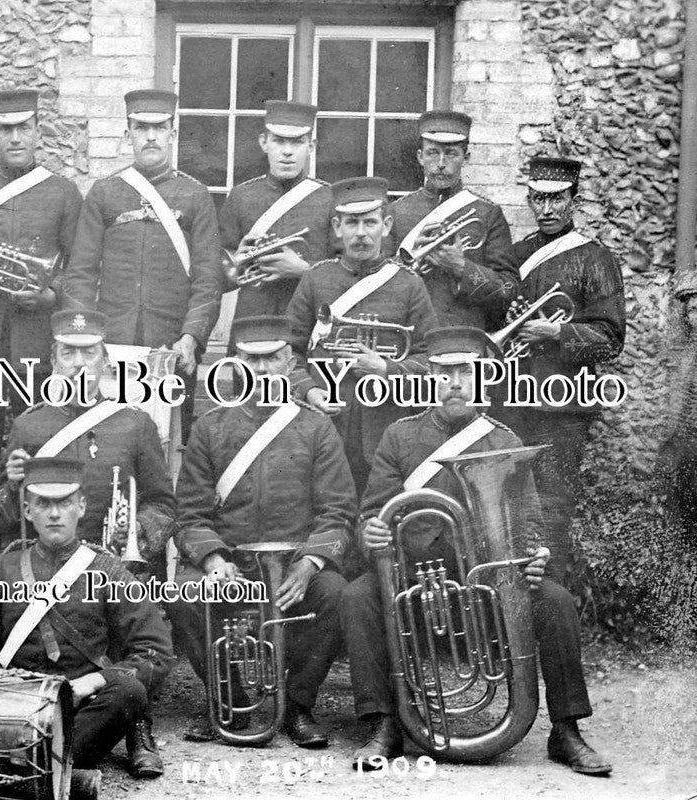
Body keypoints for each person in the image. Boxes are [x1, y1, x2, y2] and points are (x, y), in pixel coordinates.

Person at [340, 325, 611, 776]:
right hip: (413, 574)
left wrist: (534, 554)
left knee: (556, 602)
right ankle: (384, 724)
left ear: (481, 377)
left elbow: (527, 519)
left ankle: (566, 730)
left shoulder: (503, 439)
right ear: (427, 377)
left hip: (485, 580)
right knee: (356, 597)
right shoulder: (399, 437)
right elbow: (373, 512)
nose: (456, 384)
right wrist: (372, 532)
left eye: (466, 373)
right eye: (445, 373)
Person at [0, 309, 175, 778]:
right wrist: (12, 488)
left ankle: (136, 727)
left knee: (133, 627)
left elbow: (161, 503)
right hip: (47, 558)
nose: (77, 362)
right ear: (53, 359)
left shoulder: (133, 423)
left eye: (87, 352)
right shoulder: (29, 425)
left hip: (113, 559)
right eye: (67, 351)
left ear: (105, 361)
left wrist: (135, 544)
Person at [168, 315, 355, 746]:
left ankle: (298, 704)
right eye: (253, 360)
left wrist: (310, 563)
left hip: (294, 565)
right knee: (184, 593)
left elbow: (339, 509)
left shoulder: (315, 427)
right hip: (232, 564)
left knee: (337, 594)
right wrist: (214, 559)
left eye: (273, 358)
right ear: (235, 364)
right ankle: (228, 699)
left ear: (290, 361)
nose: (264, 369)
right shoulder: (210, 428)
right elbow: (190, 515)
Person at [0, 457, 175, 783]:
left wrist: (94, 682)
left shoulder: (109, 571)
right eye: (43, 504)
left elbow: (154, 651)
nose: (54, 513)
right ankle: (55, 762)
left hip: (79, 705)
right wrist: (6, 684)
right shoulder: (5, 568)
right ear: (28, 511)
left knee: (128, 692)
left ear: (82, 507)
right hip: (12, 701)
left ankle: (11, 759)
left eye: (64, 503)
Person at [64, 89, 223, 441]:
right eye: (140, 128)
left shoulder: (195, 196)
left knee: (168, 443)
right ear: (127, 134)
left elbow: (208, 278)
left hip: (171, 344)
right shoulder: (104, 194)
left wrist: (190, 338)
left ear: (172, 133)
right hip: (111, 342)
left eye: (160, 127)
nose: (150, 137)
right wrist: (84, 337)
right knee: (105, 439)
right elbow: (81, 274)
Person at [0, 89, 83, 461]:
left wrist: (52, 295)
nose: (16, 138)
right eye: (6, 129)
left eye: (24, 127)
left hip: (36, 342)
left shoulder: (63, 192)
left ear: (38, 129)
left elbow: (80, 267)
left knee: (38, 441)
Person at [503, 157, 625, 574]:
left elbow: (611, 340)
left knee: (554, 510)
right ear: (530, 200)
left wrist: (556, 333)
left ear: (574, 200)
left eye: (557, 199)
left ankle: (551, 604)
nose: (547, 209)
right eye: (539, 199)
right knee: (508, 509)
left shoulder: (595, 258)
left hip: (564, 409)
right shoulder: (515, 254)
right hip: (513, 400)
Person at [286, 176, 438, 491]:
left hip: (388, 427)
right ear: (337, 227)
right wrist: (310, 392)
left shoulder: (409, 284)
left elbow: (432, 358)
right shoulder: (316, 279)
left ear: (386, 225)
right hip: (325, 424)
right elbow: (288, 352)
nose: (360, 233)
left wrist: (386, 368)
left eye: (370, 222)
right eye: (351, 223)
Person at [385, 110, 517, 329]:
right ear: (420, 157)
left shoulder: (488, 214)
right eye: (432, 153)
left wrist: (461, 267)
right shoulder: (397, 211)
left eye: (451, 154)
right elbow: (373, 283)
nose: (441, 163)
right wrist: (405, 262)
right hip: (409, 336)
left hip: (463, 336)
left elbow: (509, 291)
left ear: (466, 157)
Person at [219, 100, 333, 343]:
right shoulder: (241, 196)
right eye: (279, 141)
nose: (287, 151)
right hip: (251, 323)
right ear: (264, 142)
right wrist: (239, 261)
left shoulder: (329, 198)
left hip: (306, 325)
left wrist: (304, 269)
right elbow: (219, 275)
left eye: (297, 142)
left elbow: (348, 272)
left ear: (311, 146)